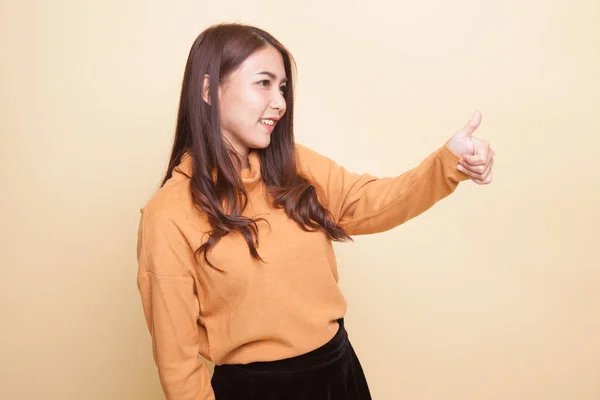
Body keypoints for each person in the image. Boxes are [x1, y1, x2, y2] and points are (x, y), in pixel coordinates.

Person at [136, 22, 495, 400]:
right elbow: (177, 363)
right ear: (209, 90)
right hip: (256, 391)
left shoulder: (295, 167)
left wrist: (450, 161)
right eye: (264, 83)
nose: (280, 102)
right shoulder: (169, 214)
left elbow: (373, 202)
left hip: (339, 374)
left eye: (283, 87)